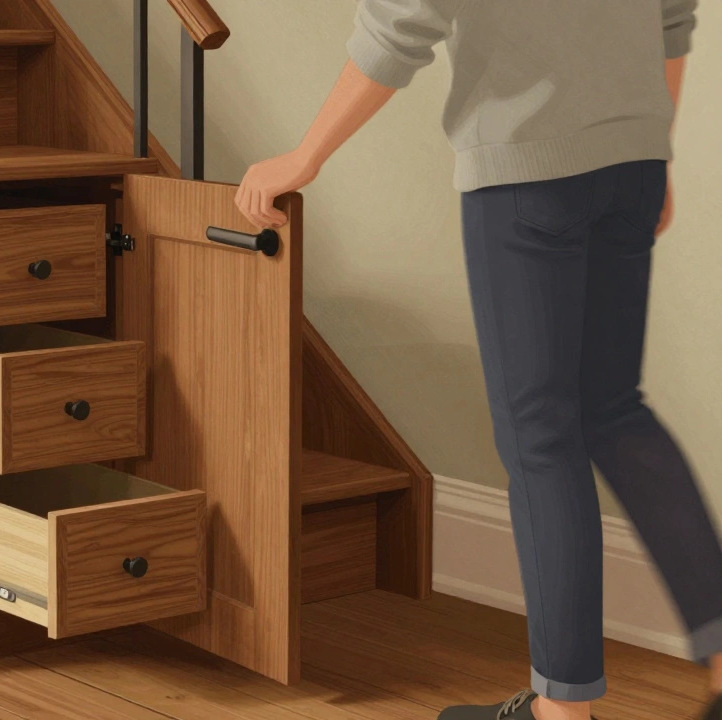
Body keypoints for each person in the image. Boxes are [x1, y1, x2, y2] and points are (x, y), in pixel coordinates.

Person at [235, 1, 722, 719]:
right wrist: (653, 149)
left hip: (529, 170)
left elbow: (400, 24)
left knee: (541, 437)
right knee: (616, 411)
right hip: (635, 162)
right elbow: (672, 18)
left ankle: (561, 709)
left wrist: (303, 156)